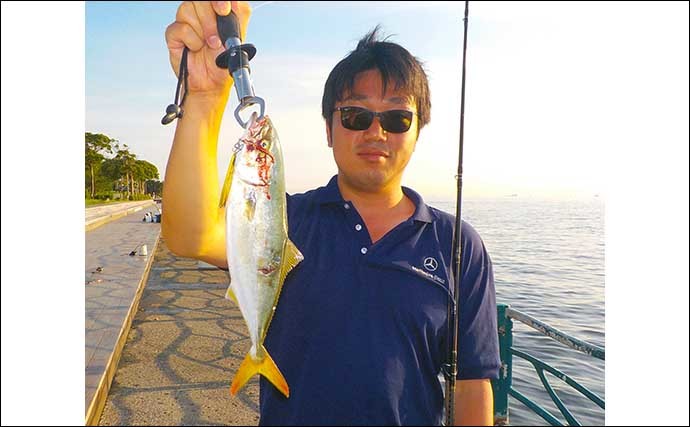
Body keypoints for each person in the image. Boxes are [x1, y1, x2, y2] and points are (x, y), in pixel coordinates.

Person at [162, 1, 500, 425]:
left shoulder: (457, 244)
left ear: (418, 132)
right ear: (328, 128)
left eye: (397, 118)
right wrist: (205, 99)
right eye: (356, 115)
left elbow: (473, 381)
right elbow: (190, 236)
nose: (375, 132)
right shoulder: (285, 219)